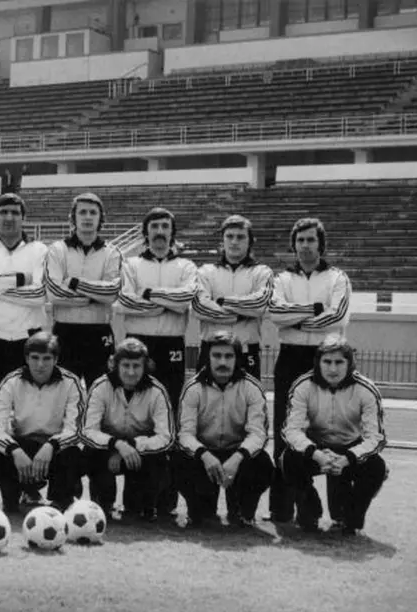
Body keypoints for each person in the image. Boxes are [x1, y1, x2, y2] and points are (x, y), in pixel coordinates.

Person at [267, 217, 351, 524]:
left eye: (310, 240)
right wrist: (314, 310)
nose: (305, 245)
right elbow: (275, 313)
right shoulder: (281, 279)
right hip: (290, 358)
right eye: (300, 240)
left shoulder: (337, 277)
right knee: (285, 431)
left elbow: (337, 316)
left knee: (332, 430)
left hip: (324, 358)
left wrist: (297, 319)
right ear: (293, 244)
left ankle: (340, 513)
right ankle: (281, 509)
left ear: (321, 243)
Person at [115, 207, 196, 518]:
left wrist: (147, 296)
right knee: (138, 419)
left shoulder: (187, 265)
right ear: (145, 232)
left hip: (172, 347)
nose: (160, 232)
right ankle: (136, 500)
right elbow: (124, 302)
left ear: (172, 232)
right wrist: (166, 303)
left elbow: (185, 300)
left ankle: (166, 501)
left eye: (165, 226)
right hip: (138, 345)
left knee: (168, 421)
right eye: (154, 227)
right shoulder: (131, 264)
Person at [281, 336, 387, 536]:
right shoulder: (303, 386)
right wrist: (317, 454)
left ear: (350, 363)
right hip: (316, 447)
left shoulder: (366, 390)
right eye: (327, 362)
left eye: (339, 362)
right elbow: (291, 430)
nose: (333, 369)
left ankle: (351, 519)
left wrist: (347, 459)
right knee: (288, 459)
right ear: (318, 362)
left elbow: (376, 438)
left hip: (350, 448)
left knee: (377, 467)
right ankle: (309, 512)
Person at [176, 331, 272, 527]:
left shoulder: (252, 388)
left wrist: (237, 458)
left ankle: (243, 511)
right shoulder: (193, 389)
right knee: (178, 460)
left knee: (262, 463)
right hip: (205, 455)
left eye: (229, 356)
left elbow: (258, 434)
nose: (223, 361)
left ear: (237, 359)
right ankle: (198, 510)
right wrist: (205, 455)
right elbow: (185, 434)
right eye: (217, 356)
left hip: (237, 454)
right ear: (207, 358)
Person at [0, 331, 85, 512]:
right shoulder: (11, 381)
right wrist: (14, 450)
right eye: (35, 358)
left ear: (56, 359)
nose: (40, 365)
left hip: (55, 448)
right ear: (26, 358)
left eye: (47, 358)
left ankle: (60, 502)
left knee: (73, 453)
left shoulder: (71, 382)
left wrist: (52, 445)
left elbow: (76, 429)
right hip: (23, 445)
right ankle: (14, 498)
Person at [81, 338, 174, 521]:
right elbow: (87, 431)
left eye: (136, 366)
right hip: (107, 451)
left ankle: (141, 507)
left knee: (159, 460)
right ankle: (103, 505)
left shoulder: (157, 391)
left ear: (145, 366)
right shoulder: (101, 387)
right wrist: (117, 445)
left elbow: (166, 436)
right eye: (125, 365)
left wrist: (132, 445)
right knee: (91, 453)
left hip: (139, 454)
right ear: (115, 365)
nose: (131, 372)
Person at [0, 193, 48, 401]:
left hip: (28, 339)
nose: (9, 217)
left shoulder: (39, 250)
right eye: (3, 212)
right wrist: (20, 279)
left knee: (28, 404)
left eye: (15, 213)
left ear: (24, 218)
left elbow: (39, 294)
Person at [44, 192, 121, 387]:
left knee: (103, 392)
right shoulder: (57, 249)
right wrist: (94, 296)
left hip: (100, 333)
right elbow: (53, 292)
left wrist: (74, 283)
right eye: (83, 212)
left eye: (93, 213)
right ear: (73, 217)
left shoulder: (112, 252)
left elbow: (112, 293)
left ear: (100, 218)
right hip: (65, 333)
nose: (88, 217)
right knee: (64, 394)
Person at [193, 215, 273, 380]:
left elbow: (259, 305)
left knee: (248, 404)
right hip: (211, 349)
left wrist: (222, 302)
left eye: (240, 237)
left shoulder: (262, 272)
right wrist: (241, 315)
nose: (234, 241)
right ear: (222, 241)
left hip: (246, 351)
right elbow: (199, 307)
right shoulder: (205, 272)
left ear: (250, 241)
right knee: (207, 403)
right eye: (229, 236)